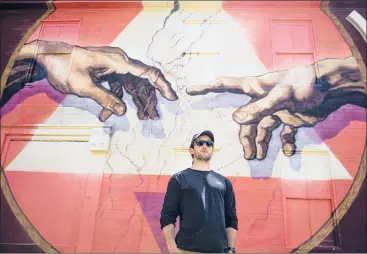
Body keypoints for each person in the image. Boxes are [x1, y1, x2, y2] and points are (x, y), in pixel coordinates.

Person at [160, 130, 238, 253]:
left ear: (212, 150)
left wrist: (231, 248)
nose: (204, 146)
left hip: (219, 250)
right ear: (191, 150)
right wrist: (171, 247)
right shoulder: (179, 179)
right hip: (187, 249)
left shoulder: (224, 182)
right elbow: (167, 215)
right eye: (200, 143)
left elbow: (231, 218)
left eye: (209, 143)